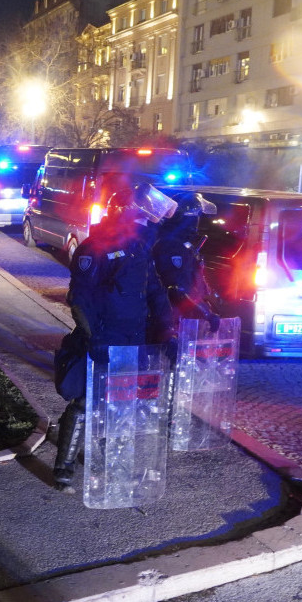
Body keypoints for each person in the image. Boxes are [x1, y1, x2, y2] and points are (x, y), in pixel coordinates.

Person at [53, 182, 177, 493]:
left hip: (131, 342)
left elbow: (155, 293)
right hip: (101, 340)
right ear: (125, 214)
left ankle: (113, 466)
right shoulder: (95, 249)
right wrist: (93, 340)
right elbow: (79, 300)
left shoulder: (139, 250)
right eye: (141, 220)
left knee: (122, 405)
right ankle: (64, 470)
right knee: (84, 404)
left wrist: (168, 330)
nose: (146, 226)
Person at [152, 191, 221, 333]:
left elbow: (194, 281)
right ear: (184, 218)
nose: (197, 220)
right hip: (175, 319)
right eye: (195, 215)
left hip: (187, 316)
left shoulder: (184, 244)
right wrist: (206, 312)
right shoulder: (170, 245)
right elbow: (178, 289)